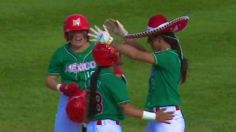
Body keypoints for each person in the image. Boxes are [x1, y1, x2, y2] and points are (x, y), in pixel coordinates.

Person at [89, 14, 189, 132]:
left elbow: (136, 54)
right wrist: (125, 34)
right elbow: (141, 51)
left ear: (160, 39)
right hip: (159, 116)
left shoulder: (169, 57)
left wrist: (111, 42)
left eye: (150, 39)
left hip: (167, 117)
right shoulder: (165, 56)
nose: (149, 43)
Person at [86, 43, 174, 132]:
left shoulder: (91, 78)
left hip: (91, 126)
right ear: (113, 58)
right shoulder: (112, 79)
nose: (121, 54)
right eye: (118, 52)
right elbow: (126, 108)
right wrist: (155, 116)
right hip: (107, 127)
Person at [45, 14, 96, 132]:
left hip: (95, 97)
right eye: (73, 32)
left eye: (81, 31)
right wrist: (61, 87)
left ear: (87, 33)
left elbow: (114, 66)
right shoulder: (61, 53)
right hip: (69, 98)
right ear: (67, 34)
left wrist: (110, 43)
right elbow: (49, 79)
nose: (78, 36)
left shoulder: (97, 49)